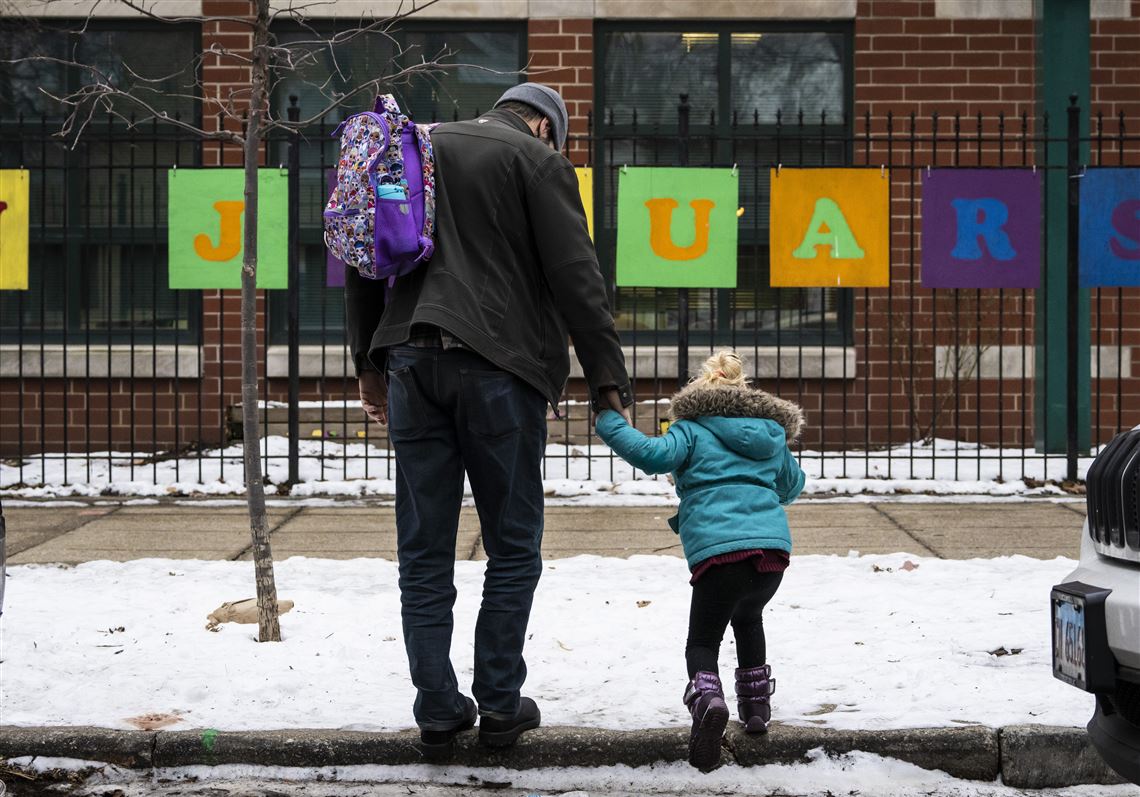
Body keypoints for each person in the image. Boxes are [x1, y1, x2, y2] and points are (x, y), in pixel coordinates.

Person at [345, 83, 632, 758]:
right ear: (542, 124)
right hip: (500, 369)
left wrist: (367, 360)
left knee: (423, 549)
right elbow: (576, 277)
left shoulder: (415, 145)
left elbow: (364, 251)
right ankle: (500, 703)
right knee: (512, 544)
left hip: (411, 361)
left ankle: (438, 707)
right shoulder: (535, 160)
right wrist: (607, 379)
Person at [595, 350, 805, 771]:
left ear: (699, 393)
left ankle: (708, 702)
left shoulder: (690, 429)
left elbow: (651, 455)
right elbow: (791, 486)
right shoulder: (771, 434)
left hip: (719, 555)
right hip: (771, 557)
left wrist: (609, 421)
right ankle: (757, 709)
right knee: (749, 620)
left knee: (703, 641)